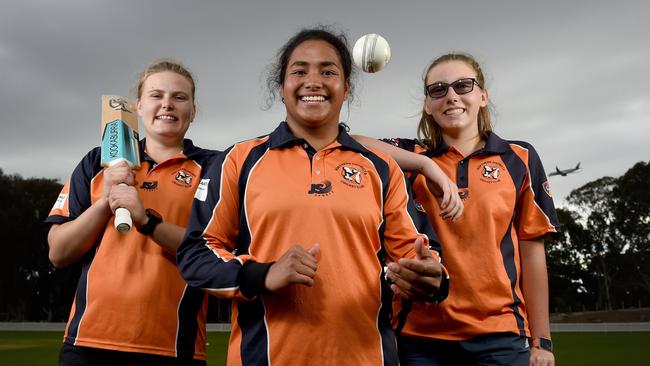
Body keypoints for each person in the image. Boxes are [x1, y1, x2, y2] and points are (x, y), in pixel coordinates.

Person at [176, 27, 457, 366]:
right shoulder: (238, 161)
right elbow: (195, 253)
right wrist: (261, 274)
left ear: (346, 88)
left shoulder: (383, 168)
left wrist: (431, 278)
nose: (313, 81)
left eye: (328, 71)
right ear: (282, 87)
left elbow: (421, 257)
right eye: (299, 71)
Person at [354, 53, 560, 366]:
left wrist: (541, 342)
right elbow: (351, 142)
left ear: (482, 95)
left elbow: (532, 254)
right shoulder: (409, 158)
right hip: (421, 339)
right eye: (438, 89)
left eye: (462, 86)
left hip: (500, 335)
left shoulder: (520, 158)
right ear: (427, 104)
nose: (451, 96)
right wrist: (425, 165)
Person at [46, 59, 219, 366]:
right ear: (139, 106)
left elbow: (213, 252)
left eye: (179, 97)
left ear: (193, 110)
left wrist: (145, 220)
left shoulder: (214, 168)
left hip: (173, 346)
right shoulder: (98, 162)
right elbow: (58, 252)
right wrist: (105, 202)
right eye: (156, 95)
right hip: (88, 342)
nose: (167, 104)